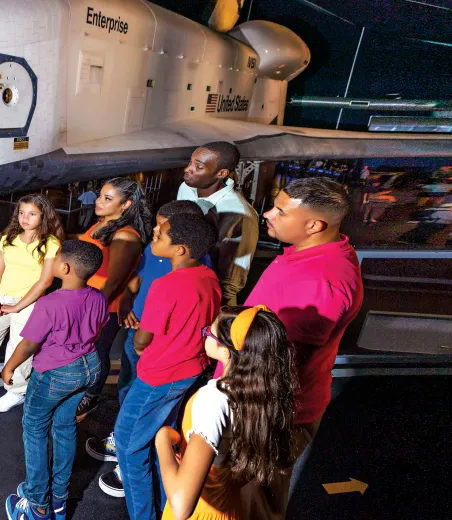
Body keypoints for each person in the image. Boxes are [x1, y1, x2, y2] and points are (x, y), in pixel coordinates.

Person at [234, 177, 363, 520]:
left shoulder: (323, 279)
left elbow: (288, 359)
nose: (267, 215)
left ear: (314, 225)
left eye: (280, 211)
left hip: (271, 411)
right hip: (257, 400)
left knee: (252, 504)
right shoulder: (308, 254)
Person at [86, 200, 212, 498]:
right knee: (128, 390)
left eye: (160, 228)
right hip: (137, 331)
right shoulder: (154, 251)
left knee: (153, 411)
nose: (153, 231)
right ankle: (123, 439)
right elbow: (136, 280)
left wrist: (145, 341)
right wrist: (127, 303)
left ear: (178, 240)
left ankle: (133, 464)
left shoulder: (194, 268)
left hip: (159, 348)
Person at [113, 213, 221, 520]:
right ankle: (166, 508)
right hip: (189, 371)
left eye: (160, 235)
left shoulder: (166, 285)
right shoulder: (208, 277)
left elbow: (143, 338)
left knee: (129, 445)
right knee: (165, 436)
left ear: (180, 249)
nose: (154, 237)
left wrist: (137, 346)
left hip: (159, 375)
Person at [156, 306, 296, 520]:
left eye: (209, 333)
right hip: (236, 507)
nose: (205, 335)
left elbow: (180, 505)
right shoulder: (270, 392)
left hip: (206, 511)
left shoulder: (215, 399)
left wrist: (162, 438)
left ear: (225, 351)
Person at [2, 240, 109, 520]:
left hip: (56, 372)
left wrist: (9, 367)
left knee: (35, 428)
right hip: (89, 367)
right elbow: (96, 333)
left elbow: (29, 344)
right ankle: (59, 499)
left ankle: (38, 503)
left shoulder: (50, 303)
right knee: (64, 426)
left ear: (65, 268)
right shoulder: (99, 297)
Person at [0, 194, 64, 412]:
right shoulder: (9, 237)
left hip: (30, 303)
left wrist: (19, 306)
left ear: (43, 216)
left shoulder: (50, 242)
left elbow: (46, 280)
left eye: (32, 213)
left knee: (19, 350)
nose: (25, 218)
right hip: (2, 298)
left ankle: (16, 392)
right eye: (21, 213)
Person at [76, 177, 150, 421]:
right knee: (86, 351)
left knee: (96, 352)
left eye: (108, 199)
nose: (99, 201)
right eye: (100, 196)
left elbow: (115, 279)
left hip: (103, 305)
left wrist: (94, 308)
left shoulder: (125, 236)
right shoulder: (103, 224)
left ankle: (91, 397)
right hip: (87, 299)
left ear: (126, 204)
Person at [178, 142, 259, 306]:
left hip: (209, 300)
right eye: (190, 162)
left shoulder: (240, 213)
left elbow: (232, 277)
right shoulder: (186, 188)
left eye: (198, 167)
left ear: (221, 173)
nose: (188, 169)